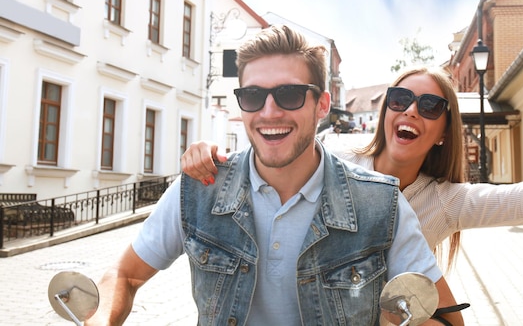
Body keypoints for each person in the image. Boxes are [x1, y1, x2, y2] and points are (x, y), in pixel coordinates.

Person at [87, 26, 465, 326]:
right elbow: (124, 275)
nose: (269, 112)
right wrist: (101, 319)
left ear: (322, 104)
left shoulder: (380, 203)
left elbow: (445, 319)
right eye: (253, 96)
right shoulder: (199, 189)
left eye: (288, 94)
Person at [181, 66, 523, 268]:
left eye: (430, 106)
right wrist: (208, 152)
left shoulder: (447, 203)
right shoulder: (333, 152)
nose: (412, 110)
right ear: (386, 111)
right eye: (400, 99)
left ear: (444, 131)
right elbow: (269, 148)